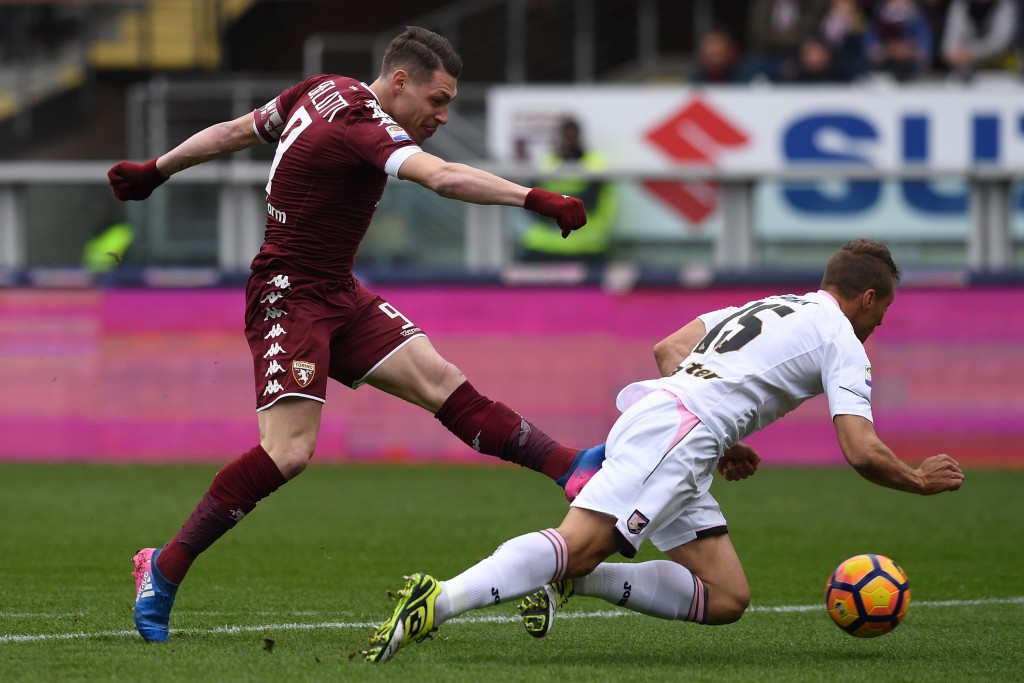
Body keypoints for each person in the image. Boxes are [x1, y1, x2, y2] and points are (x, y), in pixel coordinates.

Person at [107, 26, 606, 643]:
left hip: (338, 292)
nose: (443, 115)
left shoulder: (319, 89)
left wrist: (157, 169)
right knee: (288, 454)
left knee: (440, 381)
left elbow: (236, 132)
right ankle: (163, 567)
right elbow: (443, 178)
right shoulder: (367, 126)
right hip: (288, 296)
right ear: (400, 81)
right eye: (437, 100)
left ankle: (569, 468)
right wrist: (535, 198)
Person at [363, 239, 965, 663]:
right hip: (678, 434)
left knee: (725, 598)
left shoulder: (769, 306)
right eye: (880, 313)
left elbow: (668, 348)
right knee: (578, 543)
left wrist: (720, 432)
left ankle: (575, 584)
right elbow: (860, 449)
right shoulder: (844, 339)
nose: (878, 325)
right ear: (866, 298)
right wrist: (915, 480)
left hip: (671, 423)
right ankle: (438, 600)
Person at [519, 117, 616, 263]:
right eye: (565, 135)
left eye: (572, 135)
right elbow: (529, 201)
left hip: (587, 247)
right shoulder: (546, 163)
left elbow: (589, 202)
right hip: (544, 246)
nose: (569, 141)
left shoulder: (595, 162)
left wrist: (552, 208)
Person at [941, 0, 1019, 81]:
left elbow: (1001, 41)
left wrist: (972, 52)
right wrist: (953, 53)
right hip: (963, 71)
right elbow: (950, 39)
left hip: (1002, 72)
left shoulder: (1005, 4)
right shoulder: (961, 4)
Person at [862, 0, 935, 81]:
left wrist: (910, 49)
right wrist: (887, 49)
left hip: (911, 63)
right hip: (886, 62)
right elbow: (871, 40)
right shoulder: (880, 15)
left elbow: (925, 42)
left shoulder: (916, 16)